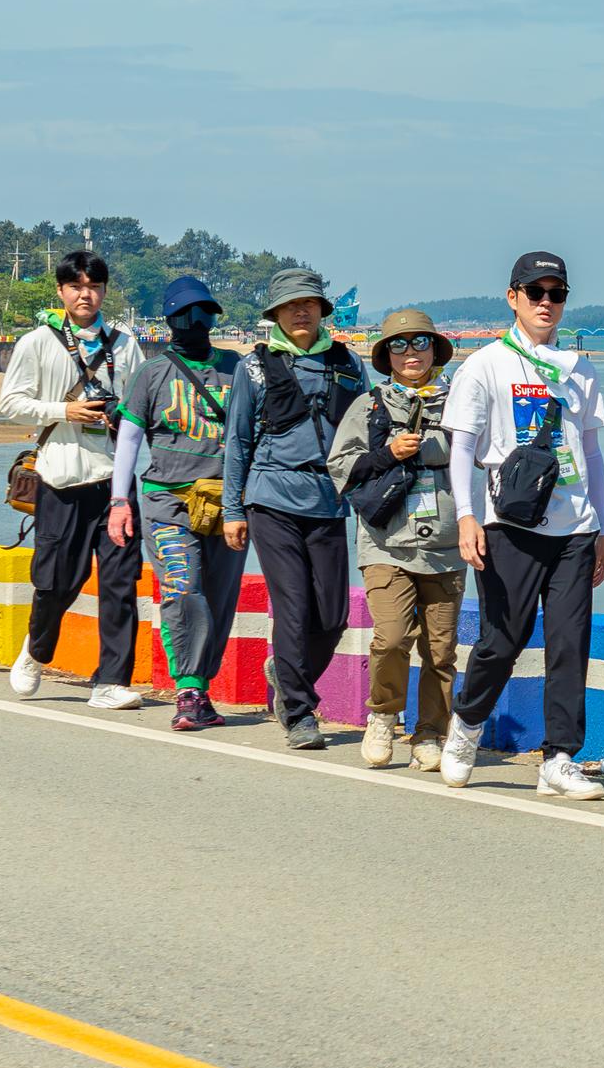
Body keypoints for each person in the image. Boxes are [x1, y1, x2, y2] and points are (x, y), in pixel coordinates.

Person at [443, 252, 604, 799]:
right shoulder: (485, 365)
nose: (546, 302)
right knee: (501, 639)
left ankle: (559, 757)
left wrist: (603, 527)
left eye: (556, 293)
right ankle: (467, 725)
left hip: (574, 529)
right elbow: (462, 449)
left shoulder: (579, 367)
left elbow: (591, 450)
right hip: (507, 526)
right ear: (512, 297)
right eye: (534, 292)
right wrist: (467, 516)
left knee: (570, 644)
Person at [222, 268, 369, 751]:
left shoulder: (348, 364)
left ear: (322, 311)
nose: (301, 312)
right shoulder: (255, 368)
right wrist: (232, 510)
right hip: (271, 499)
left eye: (309, 304)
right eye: (291, 306)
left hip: (330, 501)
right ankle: (300, 712)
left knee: (332, 616)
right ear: (277, 314)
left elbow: (369, 433)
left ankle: (286, 674)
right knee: (293, 607)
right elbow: (238, 442)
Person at [0, 251, 148, 711]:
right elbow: (12, 403)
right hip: (61, 478)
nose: (86, 295)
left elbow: (142, 405)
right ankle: (37, 650)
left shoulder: (125, 345)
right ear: (61, 292)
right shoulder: (37, 342)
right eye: (77, 286)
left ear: (104, 291)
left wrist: (117, 420)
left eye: (95, 286)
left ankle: (110, 680)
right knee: (57, 580)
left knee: (121, 583)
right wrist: (63, 411)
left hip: (114, 483)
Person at [328, 309, 468, 772]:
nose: (412, 353)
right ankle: (383, 716)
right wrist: (387, 453)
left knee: (441, 649)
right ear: (386, 355)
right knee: (389, 639)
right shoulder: (368, 405)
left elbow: (485, 454)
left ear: (436, 350)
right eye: (400, 345)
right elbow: (340, 466)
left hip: (446, 541)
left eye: (421, 343)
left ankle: (430, 733)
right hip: (385, 542)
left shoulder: (460, 401)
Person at [110, 277, 246, 733]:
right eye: (187, 316)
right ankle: (186, 690)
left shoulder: (238, 368)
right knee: (182, 589)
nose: (197, 323)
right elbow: (129, 439)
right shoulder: (152, 373)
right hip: (166, 499)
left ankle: (200, 688)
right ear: (170, 321)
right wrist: (118, 502)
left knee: (221, 598)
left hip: (227, 501)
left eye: (205, 314)